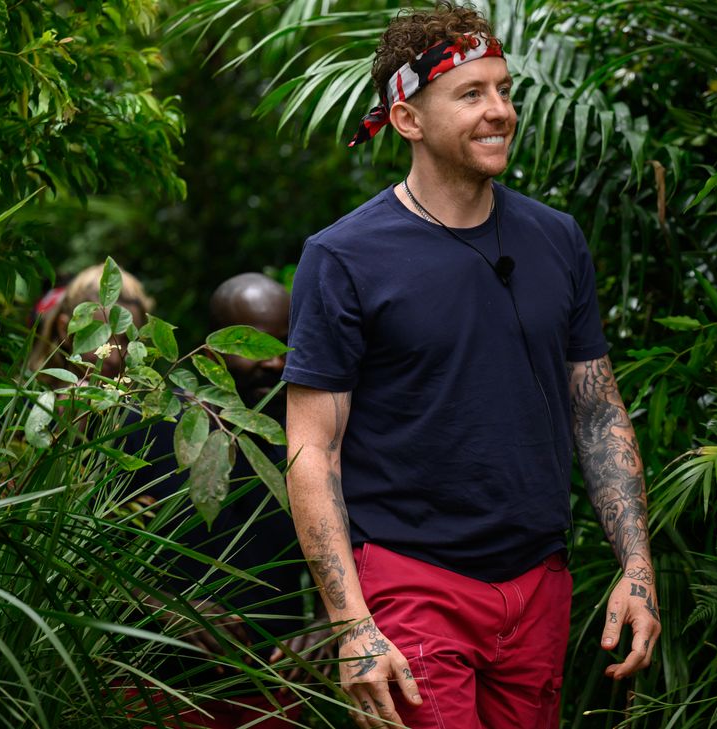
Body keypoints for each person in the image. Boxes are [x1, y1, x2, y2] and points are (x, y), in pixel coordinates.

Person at [282, 3, 661, 728]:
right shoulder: (344, 258)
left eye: (504, 89)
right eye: (472, 94)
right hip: (413, 586)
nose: (501, 111)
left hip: (538, 582)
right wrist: (351, 623)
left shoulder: (557, 238)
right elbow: (311, 448)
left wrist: (637, 569)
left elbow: (597, 410)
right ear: (407, 121)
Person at [122, 272, 320, 728]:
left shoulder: (305, 430)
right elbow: (91, 547)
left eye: (283, 346)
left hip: (271, 690)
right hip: (156, 686)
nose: (272, 364)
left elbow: (343, 529)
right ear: (211, 353)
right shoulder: (146, 421)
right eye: (253, 348)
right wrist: (160, 603)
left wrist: (328, 620)